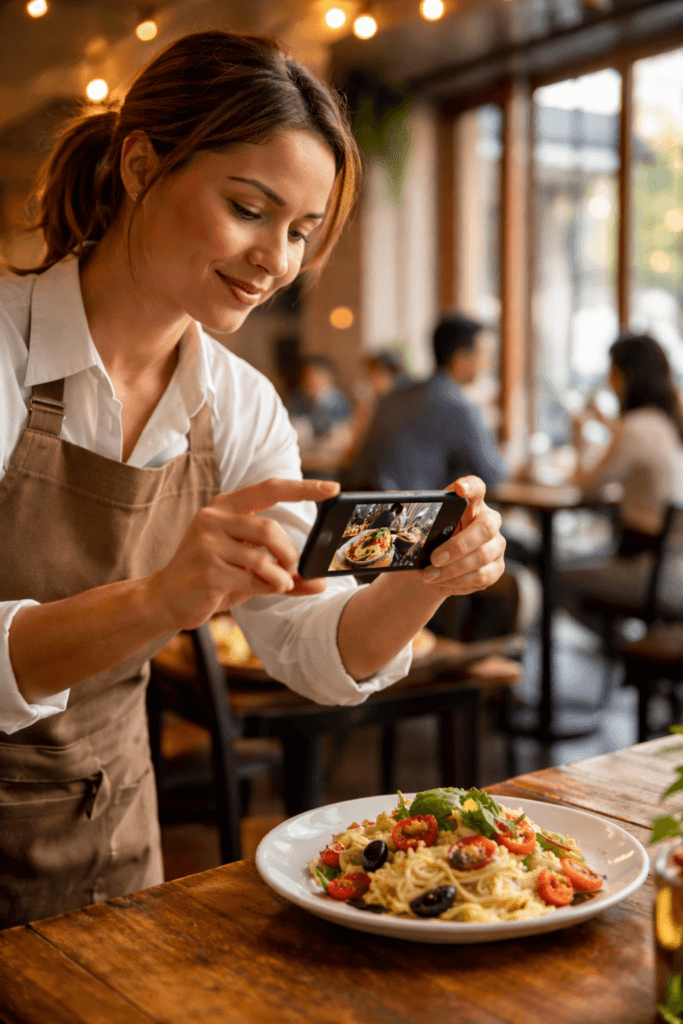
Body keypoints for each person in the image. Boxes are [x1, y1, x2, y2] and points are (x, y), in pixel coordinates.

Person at [0, 30, 505, 928]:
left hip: (110, 836)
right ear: (142, 163)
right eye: (248, 207)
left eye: (301, 231)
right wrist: (159, 599)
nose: (277, 259)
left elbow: (309, 647)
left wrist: (427, 579)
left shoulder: (238, 406)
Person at [560, 333, 683, 634]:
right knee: (581, 555)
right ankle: (628, 655)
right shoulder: (666, 423)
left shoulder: (634, 428)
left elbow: (587, 488)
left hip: (648, 573)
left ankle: (621, 652)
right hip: (675, 568)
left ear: (624, 376)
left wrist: (579, 439)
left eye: (611, 369)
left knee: (553, 572)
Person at [345, 313, 508, 491]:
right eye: (486, 354)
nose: (491, 363)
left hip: (362, 506)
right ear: (461, 359)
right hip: (411, 513)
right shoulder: (458, 406)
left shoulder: (394, 394)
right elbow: (494, 475)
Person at [285, 354, 353, 474]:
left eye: (313, 376)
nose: (308, 381)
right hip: (300, 464)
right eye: (306, 377)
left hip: (329, 467)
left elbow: (338, 441)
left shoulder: (341, 404)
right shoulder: (297, 401)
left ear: (327, 377)